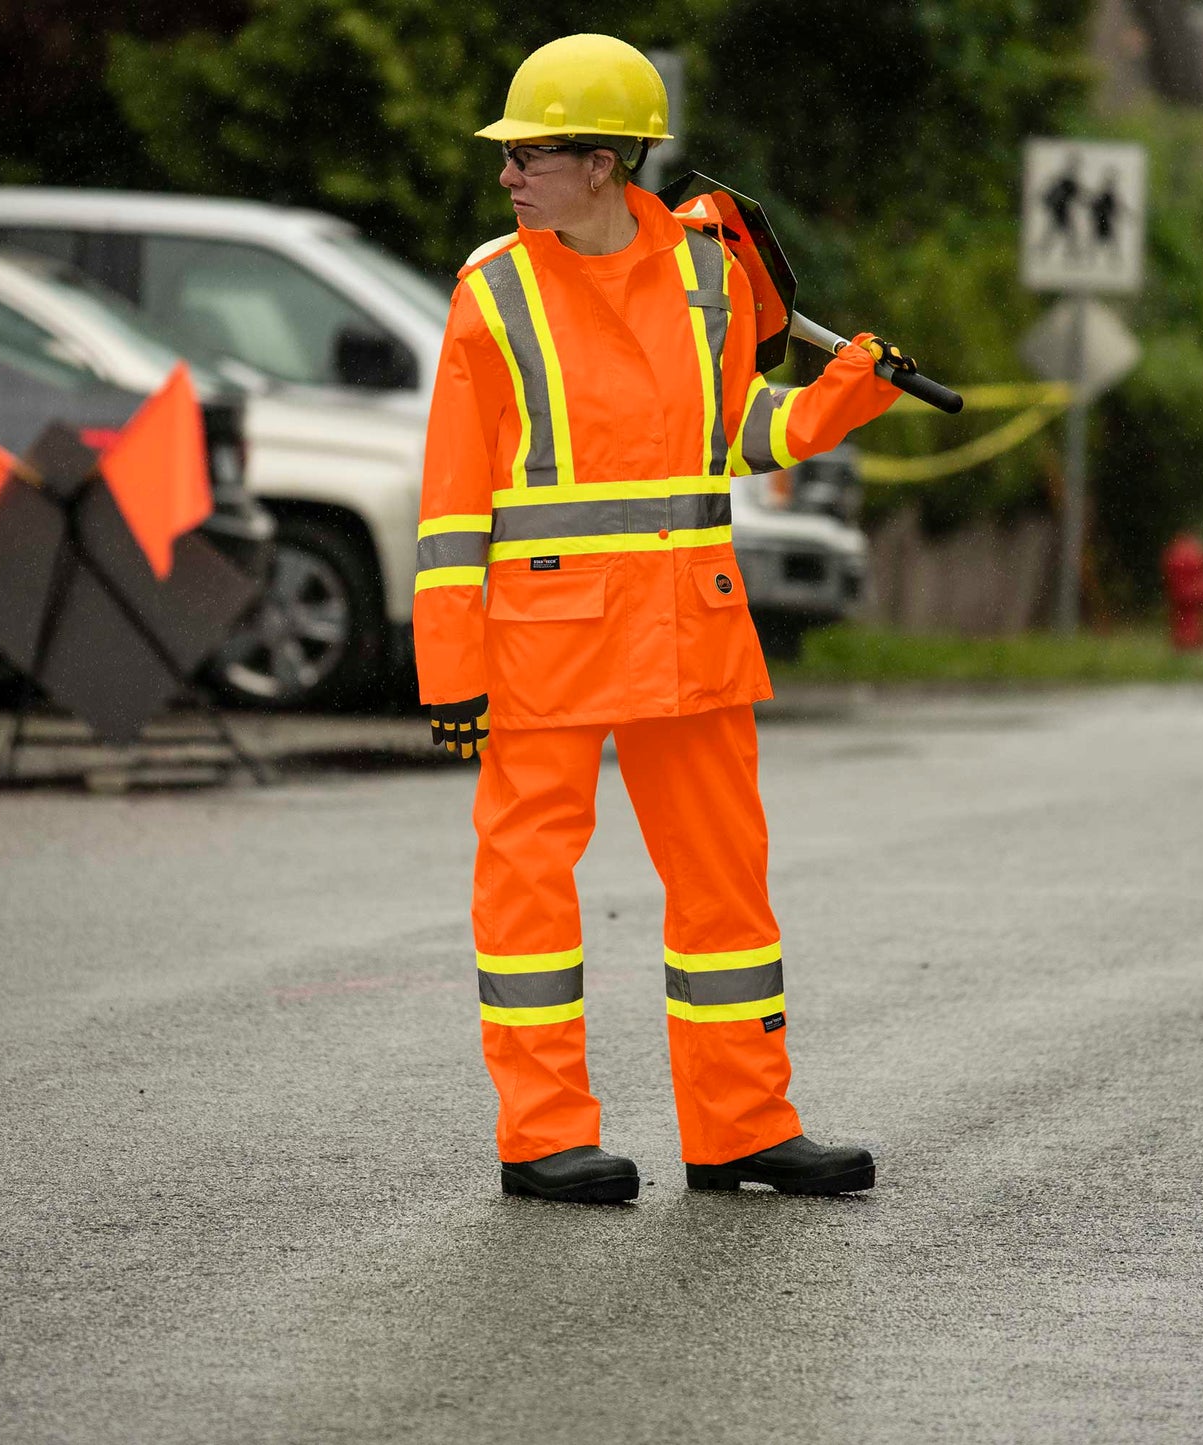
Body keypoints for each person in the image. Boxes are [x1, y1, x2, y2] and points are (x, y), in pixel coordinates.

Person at [415, 33, 907, 1204]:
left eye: (528, 153)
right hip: (547, 645)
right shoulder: (490, 291)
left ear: (603, 162)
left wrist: (841, 398)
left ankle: (741, 1126)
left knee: (727, 887)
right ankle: (542, 1136)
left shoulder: (707, 271)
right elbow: (448, 501)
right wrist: (449, 673)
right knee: (527, 890)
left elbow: (730, 435)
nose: (506, 175)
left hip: (690, 630)